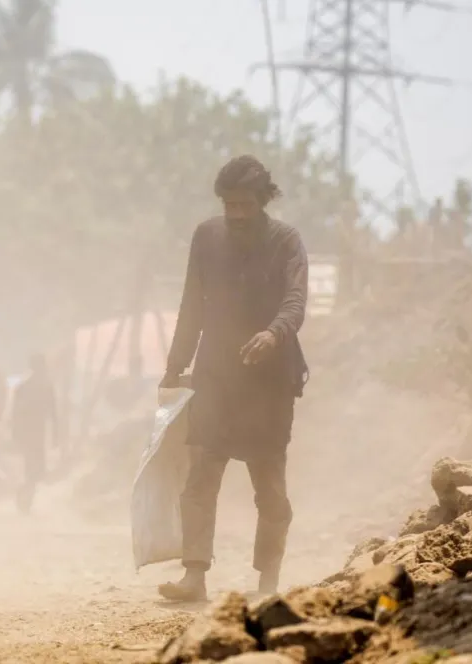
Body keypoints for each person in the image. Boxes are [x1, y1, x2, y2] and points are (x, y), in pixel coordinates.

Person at [157, 155, 309, 602]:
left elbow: (296, 302)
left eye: (245, 205)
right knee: (201, 475)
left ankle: (267, 582)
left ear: (262, 202)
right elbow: (192, 306)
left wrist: (272, 333)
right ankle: (194, 576)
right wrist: (174, 366)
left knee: (270, 485)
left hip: (270, 381)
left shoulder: (286, 241)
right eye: (230, 205)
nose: (237, 214)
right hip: (217, 375)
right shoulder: (206, 236)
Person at [10, 353, 59, 514]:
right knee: (32, 468)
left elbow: (53, 412)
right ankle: (24, 497)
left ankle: (25, 497)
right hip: (30, 432)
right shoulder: (27, 386)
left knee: (35, 468)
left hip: (36, 432)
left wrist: (56, 433)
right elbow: (16, 412)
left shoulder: (37, 386)